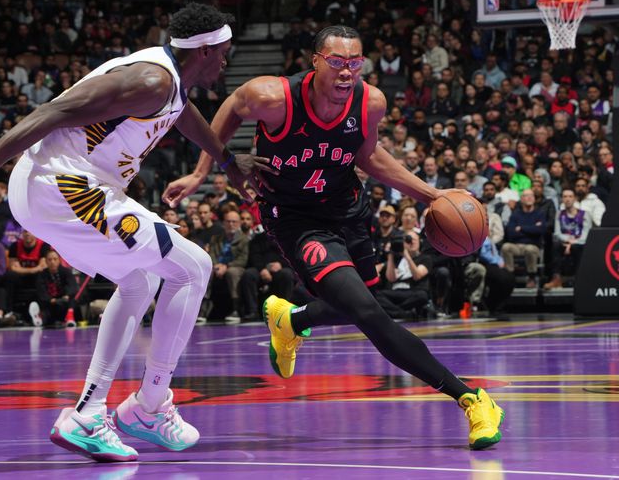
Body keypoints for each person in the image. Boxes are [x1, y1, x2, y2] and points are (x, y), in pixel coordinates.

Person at [0, 3, 272, 462]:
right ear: (205, 50)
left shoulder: (169, 85)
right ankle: (150, 405)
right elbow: (51, 112)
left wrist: (229, 163)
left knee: (141, 279)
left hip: (61, 190)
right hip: (64, 186)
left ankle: (91, 411)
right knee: (194, 266)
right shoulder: (149, 80)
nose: (226, 62)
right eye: (224, 53)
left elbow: (184, 114)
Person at [164, 25, 504, 450]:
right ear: (316, 61)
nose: (347, 72)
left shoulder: (371, 102)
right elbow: (232, 106)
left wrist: (432, 195)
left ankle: (292, 321)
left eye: (355, 63)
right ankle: (471, 398)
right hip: (294, 217)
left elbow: (367, 155)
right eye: (338, 62)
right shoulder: (272, 97)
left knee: (363, 302)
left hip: (346, 207)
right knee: (368, 313)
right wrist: (210, 167)